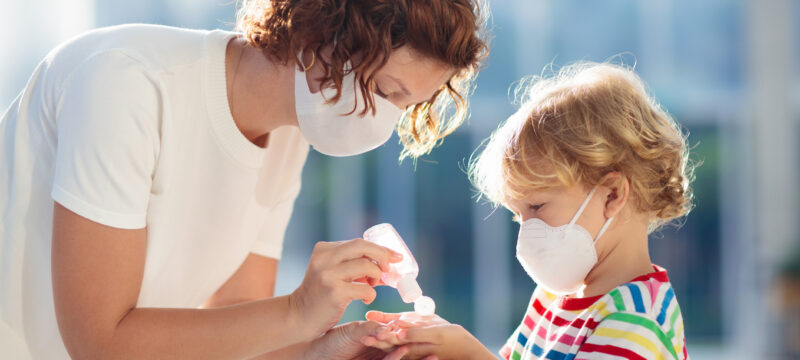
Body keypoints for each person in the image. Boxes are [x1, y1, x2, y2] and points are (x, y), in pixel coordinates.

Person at [0, 0, 487, 358]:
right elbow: (100, 342)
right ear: (322, 34)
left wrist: (332, 350)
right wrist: (298, 310)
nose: (385, 124)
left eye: (404, 107)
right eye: (385, 91)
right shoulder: (126, 83)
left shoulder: (288, 132)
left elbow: (234, 322)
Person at [364, 62, 694, 360]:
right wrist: (439, 343)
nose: (526, 233)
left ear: (612, 194)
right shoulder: (552, 298)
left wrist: (467, 353)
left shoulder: (636, 322)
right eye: (518, 214)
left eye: (537, 206)